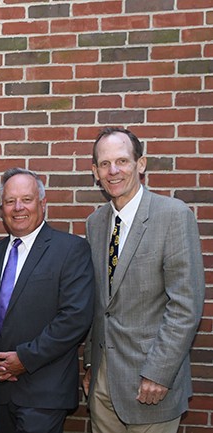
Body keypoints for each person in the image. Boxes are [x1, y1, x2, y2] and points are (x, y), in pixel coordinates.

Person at [82, 127, 205, 433]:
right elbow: (98, 302)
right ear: (95, 172)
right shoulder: (95, 223)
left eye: (122, 161)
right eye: (105, 164)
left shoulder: (173, 215)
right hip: (102, 383)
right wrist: (89, 364)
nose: (114, 171)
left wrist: (159, 373)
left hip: (150, 384)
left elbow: (186, 305)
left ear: (141, 163)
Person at [0, 168, 94, 433]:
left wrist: (24, 359)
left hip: (45, 391)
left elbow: (74, 318)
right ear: (2, 208)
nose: (18, 207)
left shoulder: (70, 250)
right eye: (10, 201)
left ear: (43, 203)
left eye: (26, 199)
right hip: (1, 390)